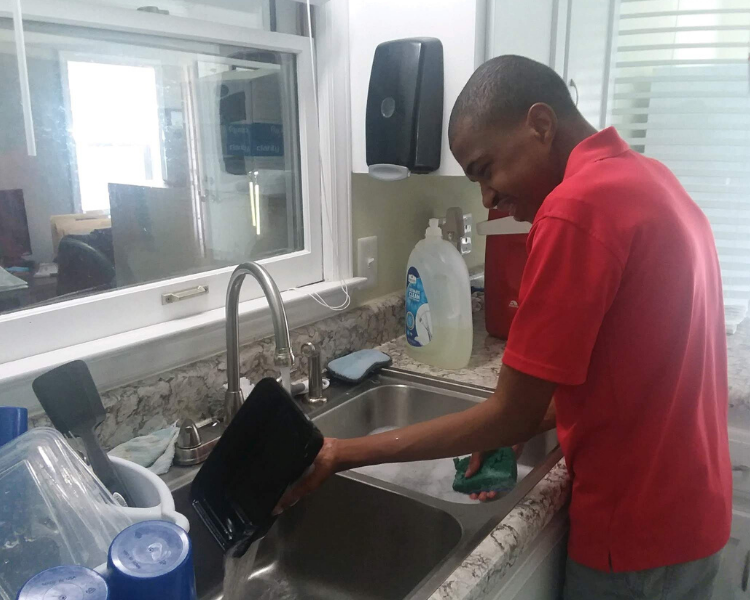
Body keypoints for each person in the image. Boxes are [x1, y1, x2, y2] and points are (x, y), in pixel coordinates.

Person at [278, 55, 732, 599]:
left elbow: (509, 413)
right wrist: (510, 427)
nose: (487, 198)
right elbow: (624, 372)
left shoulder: (575, 209)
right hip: (694, 515)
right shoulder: (649, 178)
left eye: (486, 169)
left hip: (631, 533)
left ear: (540, 125)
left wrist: (341, 453)